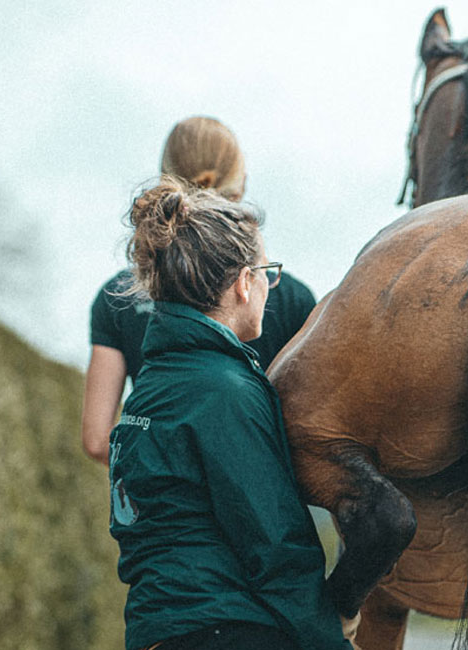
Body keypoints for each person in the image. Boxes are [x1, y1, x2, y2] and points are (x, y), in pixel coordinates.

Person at [108, 177, 354, 650]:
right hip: (228, 629)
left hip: (155, 629)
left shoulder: (151, 390)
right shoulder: (226, 390)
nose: (269, 285)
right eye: (267, 272)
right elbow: (277, 546)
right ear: (244, 283)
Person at [81, 116, 316, 465]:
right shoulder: (291, 297)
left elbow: (98, 440)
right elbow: (310, 429)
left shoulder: (118, 296)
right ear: (240, 185)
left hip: (163, 509)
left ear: (165, 179)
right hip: (260, 495)